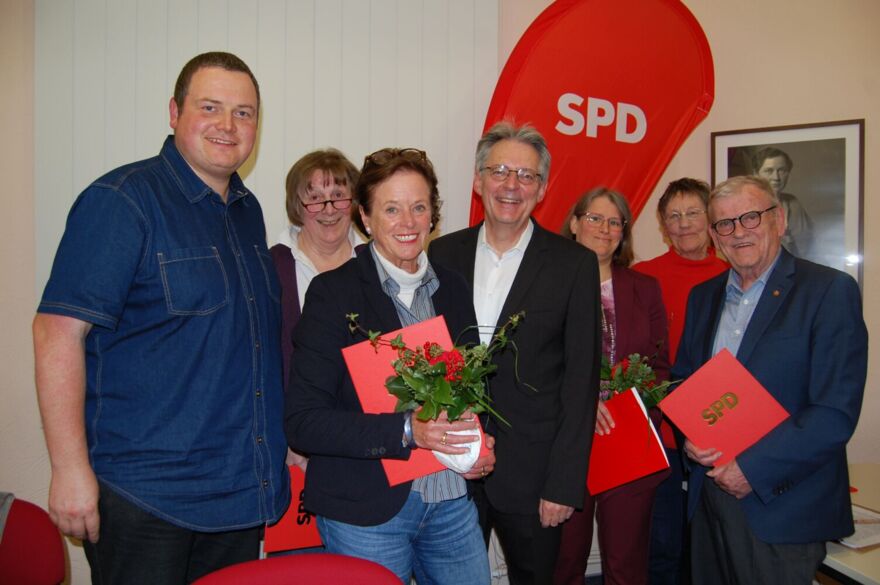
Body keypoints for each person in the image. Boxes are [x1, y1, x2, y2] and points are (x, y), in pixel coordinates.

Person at [32, 52, 290, 584]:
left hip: (238, 494)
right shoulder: (122, 201)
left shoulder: (248, 211)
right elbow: (57, 332)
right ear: (174, 112)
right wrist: (69, 469)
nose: (228, 125)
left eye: (244, 113)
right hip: (146, 499)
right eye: (211, 107)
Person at [285, 147, 493, 584]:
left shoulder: (452, 288)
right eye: (392, 209)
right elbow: (304, 421)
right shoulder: (333, 295)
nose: (408, 222)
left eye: (419, 207)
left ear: (433, 215)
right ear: (365, 217)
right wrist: (406, 431)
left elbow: (474, 392)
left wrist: (481, 444)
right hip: (367, 513)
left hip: (452, 499)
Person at [429, 122, 601, 585]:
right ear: (478, 180)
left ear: (542, 189)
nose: (511, 185)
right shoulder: (441, 254)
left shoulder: (573, 264)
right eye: (500, 170)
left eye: (526, 176)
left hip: (534, 476)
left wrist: (563, 484)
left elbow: (580, 382)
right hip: (449, 467)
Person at [674, 176, 867, 584]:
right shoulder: (703, 297)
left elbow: (833, 413)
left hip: (783, 508)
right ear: (713, 235)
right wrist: (688, 434)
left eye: (750, 217)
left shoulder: (828, 291)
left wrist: (751, 468)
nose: (738, 232)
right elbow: (684, 383)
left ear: (778, 219)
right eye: (724, 224)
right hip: (708, 502)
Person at [554, 188, 670, 585]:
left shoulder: (646, 287)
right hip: (569, 439)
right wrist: (582, 405)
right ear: (574, 223)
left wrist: (634, 409)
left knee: (626, 563)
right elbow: (537, 366)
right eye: (594, 218)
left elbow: (659, 366)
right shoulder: (548, 285)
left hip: (627, 437)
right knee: (565, 560)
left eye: (615, 221)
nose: (605, 229)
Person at [633, 178, 728, 585]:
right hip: (661, 440)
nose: (684, 223)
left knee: (715, 550)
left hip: (721, 437)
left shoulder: (733, 273)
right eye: (674, 215)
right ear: (662, 225)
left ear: (710, 219)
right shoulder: (642, 277)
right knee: (661, 547)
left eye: (693, 213)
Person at [753, 146, 813, 257]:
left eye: (782, 170)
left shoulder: (793, 204)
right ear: (756, 174)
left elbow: (805, 249)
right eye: (769, 171)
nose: (776, 177)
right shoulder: (744, 205)